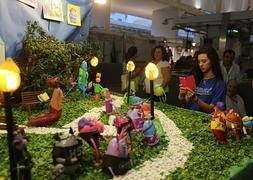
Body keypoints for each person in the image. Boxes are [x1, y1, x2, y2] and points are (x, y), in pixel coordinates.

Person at [178, 46, 226, 113]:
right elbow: (185, 105)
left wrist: (196, 99)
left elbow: (213, 110)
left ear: (212, 61)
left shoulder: (220, 84)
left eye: (204, 61)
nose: (200, 64)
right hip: (188, 117)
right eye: (199, 62)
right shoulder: (193, 79)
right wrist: (181, 96)